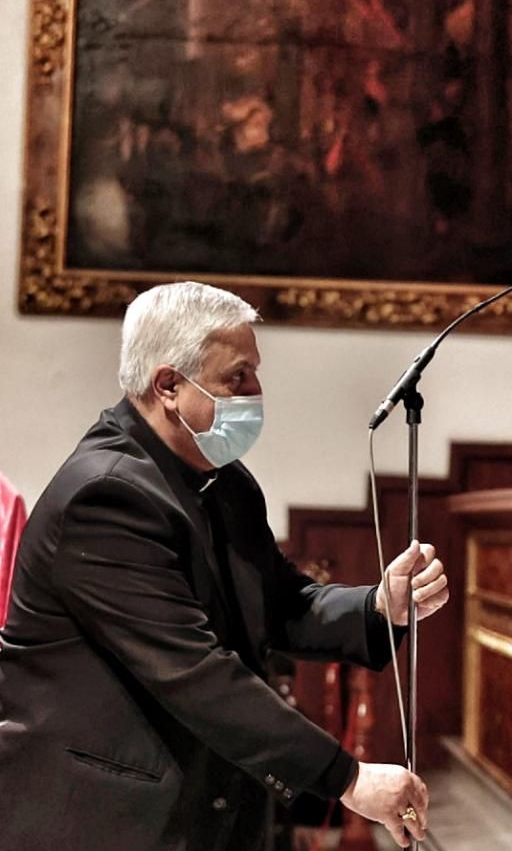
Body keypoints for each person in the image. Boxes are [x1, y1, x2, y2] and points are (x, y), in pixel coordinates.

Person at [0, 282, 449, 851]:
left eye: (254, 373)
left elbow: (282, 603)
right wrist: (348, 778)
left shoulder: (225, 480)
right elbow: (197, 674)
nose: (256, 391)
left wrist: (379, 605)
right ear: (168, 386)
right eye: (237, 377)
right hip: (110, 819)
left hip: (210, 806)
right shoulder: (105, 497)